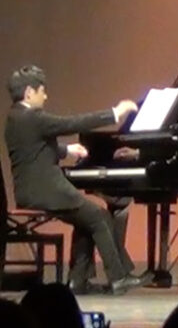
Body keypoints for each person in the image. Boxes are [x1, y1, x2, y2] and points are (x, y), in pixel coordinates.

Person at [4, 65, 144, 294]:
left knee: (86, 219)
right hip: (47, 190)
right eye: (42, 91)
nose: (45, 96)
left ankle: (78, 281)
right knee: (99, 217)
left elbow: (34, 148)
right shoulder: (33, 117)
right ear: (29, 92)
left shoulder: (14, 118)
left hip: (29, 191)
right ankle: (119, 278)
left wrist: (68, 149)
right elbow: (72, 123)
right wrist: (115, 113)